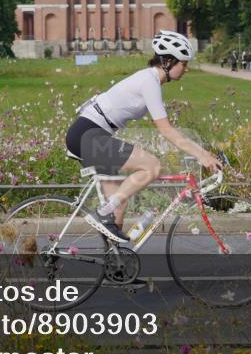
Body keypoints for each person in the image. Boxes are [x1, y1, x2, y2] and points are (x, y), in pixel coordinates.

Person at [65, 30, 223, 242]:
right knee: (152, 166)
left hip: (91, 135)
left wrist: (202, 153)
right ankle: (102, 213)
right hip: (87, 135)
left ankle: (116, 269)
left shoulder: (149, 80)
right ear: (168, 61)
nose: (186, 69)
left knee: (119, 205)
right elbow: (166, 130)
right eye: (183, 64)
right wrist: (202, 155)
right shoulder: (149, 81)